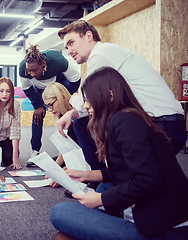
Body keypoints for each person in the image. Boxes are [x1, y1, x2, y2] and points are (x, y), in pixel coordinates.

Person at [50, 67, 188, 240]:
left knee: (61, 212)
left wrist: (100, 200)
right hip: (168, 215)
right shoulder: (129, 117)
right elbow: (128, 168)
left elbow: (149, 180)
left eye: (88, 99)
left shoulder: (124, 121)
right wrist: (86, 174)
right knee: (101, 190)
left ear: (110, 95)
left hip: (165, 229)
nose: (85, 106)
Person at [56, 19, 186, 155]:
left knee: (83, 124)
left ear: (89, 36)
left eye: (71, 43)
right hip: (165, 121)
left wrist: (73, 100)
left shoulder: (99, 55)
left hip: (162, 124)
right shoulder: (107, 51)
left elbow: (87, 100)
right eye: (66, 48)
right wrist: (74, 112)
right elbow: (91, 102)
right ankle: (99, 173)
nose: (69, 51)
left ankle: (96, 174)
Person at [19, 44, 81, 165]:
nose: (31, 73)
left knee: (66, 113)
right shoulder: (23, 68)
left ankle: (69, 151)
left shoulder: (57, 61)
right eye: (29, 70)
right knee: (37, 115)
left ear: (43, 64)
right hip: (39, 89)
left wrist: (66, 99)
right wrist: (37, 106)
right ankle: (34, 151)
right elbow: (27, 89)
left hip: (60, 83)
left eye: (34, 70)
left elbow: (75, 79)